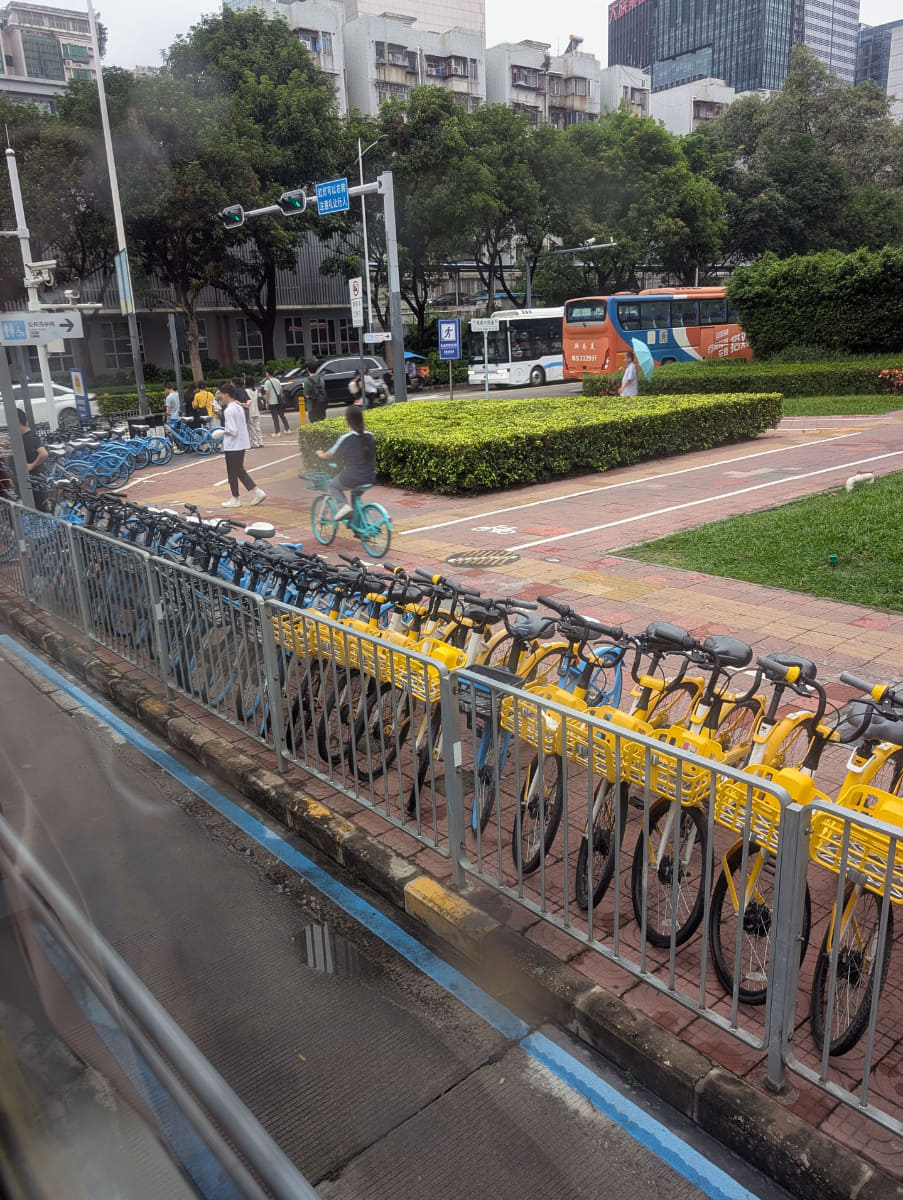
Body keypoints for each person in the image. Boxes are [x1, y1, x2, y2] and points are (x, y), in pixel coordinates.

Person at [315, 404, 375, 521]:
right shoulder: (370, 436)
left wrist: (320, 454)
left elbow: (330, 454)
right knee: (355, 497)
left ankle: (343, 507)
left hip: (352, 478)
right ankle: (358, 526)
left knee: (332, 485)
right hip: (369, 478)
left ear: (348, 421)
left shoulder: (347, 438)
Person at [218, 383, 266, 509]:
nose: (221, 397)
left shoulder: (229, 410)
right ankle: (255, 492)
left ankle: (236, 498)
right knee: (238, 470)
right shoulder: (238, 407)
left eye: (222, 394)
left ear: (226, 394)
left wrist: (221, 432)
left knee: (233, 472)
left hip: (232, 445)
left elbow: (232, 431)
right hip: (241, 443)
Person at [16, 408, 49, 511]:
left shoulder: (30, 437)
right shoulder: (23, 437)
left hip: (36, 478)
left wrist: (32, 465)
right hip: (33, 479)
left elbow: (44, 453)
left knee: (40, 508)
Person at [263, 367, 290, 436]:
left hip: (272, 402)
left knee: (275, 417)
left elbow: (267, 393)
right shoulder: (277, 381)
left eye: (266, 372)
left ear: (268, 373)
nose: (265, 373)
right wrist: (280, 398)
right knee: (282, 415)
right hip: (279, 401)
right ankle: (287, 429)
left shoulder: (267, 382)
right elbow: (281, 391)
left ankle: (277, 432)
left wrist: (266, 402)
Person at [244, 374, 264, 448]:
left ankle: (254, 443)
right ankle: (260, 442)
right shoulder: (255, 390)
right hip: (256, 411)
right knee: (257, 428)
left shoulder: (246, 391)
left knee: (251, 429)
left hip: (250, 411)